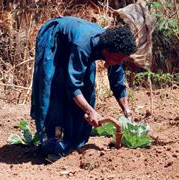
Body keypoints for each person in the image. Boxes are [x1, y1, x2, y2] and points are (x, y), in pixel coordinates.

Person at [31, 16, 136, 160]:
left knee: (87, 91)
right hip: (55, 40)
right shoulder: (83, 45)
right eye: (118, 59)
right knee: (54, 90)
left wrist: (127, 111)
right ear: (108, 51)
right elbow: (73, 85)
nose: (118, 62)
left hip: (76, 47)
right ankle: (52, 144)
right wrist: (90, 111)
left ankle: (74, 141)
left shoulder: (116, 50)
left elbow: (118, 81)